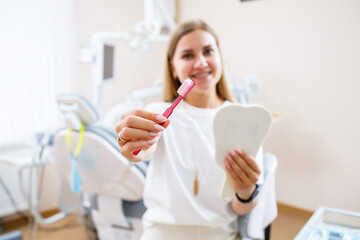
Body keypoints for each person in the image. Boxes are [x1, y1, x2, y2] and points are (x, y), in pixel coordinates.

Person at [115, 19, 262, 240]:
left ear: (220, 57)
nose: (201, 62)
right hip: (161, 233)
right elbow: (144, 150)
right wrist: (135, 148)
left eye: (208, 51)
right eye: (188, 55)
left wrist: (245, 191)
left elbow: (242, 208)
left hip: (220, 234)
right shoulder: (159, 114)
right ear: (173, 68)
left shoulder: (244, 121)